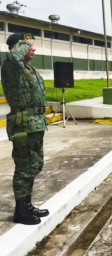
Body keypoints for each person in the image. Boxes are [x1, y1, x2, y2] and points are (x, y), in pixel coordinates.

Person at [1, 33, 49, 225]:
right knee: (24, 167)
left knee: (33, 165)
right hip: (23, 124)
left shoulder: (27, 68)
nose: (33, 48)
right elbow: (15, 56)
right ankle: (20, 211)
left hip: (34, 123)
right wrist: (23, 43)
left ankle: (27, 205)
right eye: (29, 46)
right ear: (19, 47)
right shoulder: (11, 66)